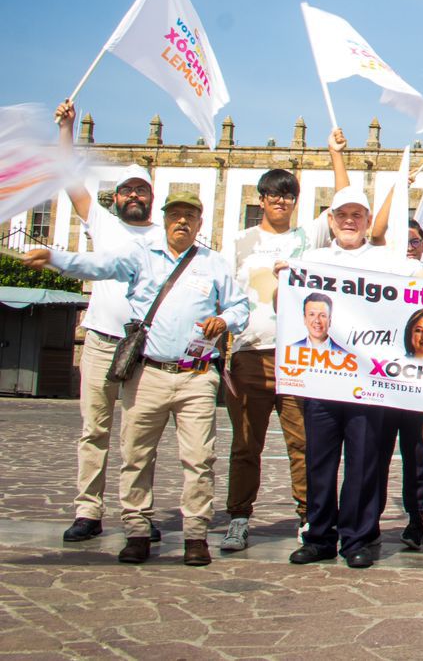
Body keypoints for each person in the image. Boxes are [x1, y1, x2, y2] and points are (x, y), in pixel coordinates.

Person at [25, 189, 250, 567]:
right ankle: (137, 531)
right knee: (136, 455)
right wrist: (55, 258)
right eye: (175, 214)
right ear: (164, 219)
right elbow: (97, 266)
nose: (182, 221)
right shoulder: (140, 256)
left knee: (200, 459)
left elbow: (240, 306)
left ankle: (195, 534)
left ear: (200, 222)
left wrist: (225, 320)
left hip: (196, 376)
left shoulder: (214, 264)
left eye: (189, 216)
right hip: (148, 373)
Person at [287, 185, 423, 569]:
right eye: (343, 215)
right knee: (319, 462)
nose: (350, 221)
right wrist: (283, 274)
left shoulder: (384, 260)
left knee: (363, 462)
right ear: (331, 220)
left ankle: (357, 538)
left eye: (357, 215)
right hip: (321, 380)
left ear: (367, 221)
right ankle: (318, 536)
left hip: (366, 383)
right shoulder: (311, 259)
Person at [52, 100, 165, 546]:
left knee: (139, 437)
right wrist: (66, 130)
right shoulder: (101, 222)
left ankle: (137, 513)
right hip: (101, 341)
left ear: (152, 197)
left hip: (145, 348)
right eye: (126, 190)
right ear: (115, 197)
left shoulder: (164, 236)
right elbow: (68, 177)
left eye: (141, 190)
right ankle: (88, 511)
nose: (134, 196)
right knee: (94, 430)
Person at [221, 155, 346, 554]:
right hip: (250, 353)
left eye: (288, 195)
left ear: (296, 201)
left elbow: (342, 198)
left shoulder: (306, 239)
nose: (281, 201)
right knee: (245, 444)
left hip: (296, 358)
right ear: (261, 199)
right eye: (273, 194)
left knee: (304, 444)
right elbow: (224, 296)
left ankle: (309, 517)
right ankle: (239, 517)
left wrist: (336, 155)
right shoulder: (238, 243)